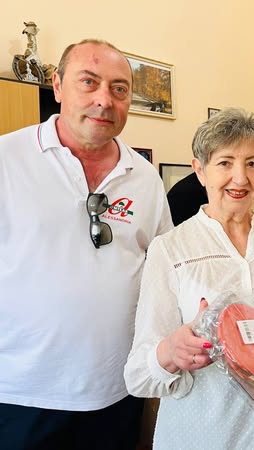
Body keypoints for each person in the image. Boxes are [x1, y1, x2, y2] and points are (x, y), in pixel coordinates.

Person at [124, 108, 254, 450]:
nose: (240, 178)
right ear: (200, 170)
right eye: (225, 163)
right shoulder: (171, 250)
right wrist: (171, 351)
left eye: (251, 163)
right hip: (207, 438)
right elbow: (139, 373)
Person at [0, 39, 173, 449]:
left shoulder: (144, 178)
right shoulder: (8, 159)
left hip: (116, 390)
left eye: (119, 88)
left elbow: (164, 273)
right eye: (89, 82)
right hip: (22, 393)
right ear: (58, 86)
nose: (104, 100)